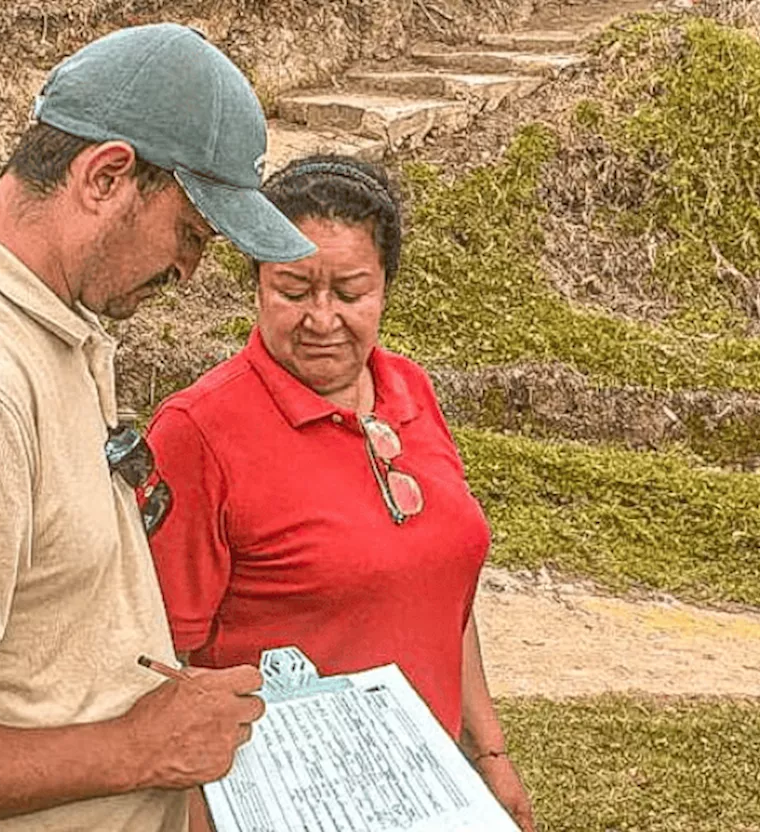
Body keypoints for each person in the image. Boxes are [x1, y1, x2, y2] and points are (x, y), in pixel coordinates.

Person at [0, 24, 317, 832]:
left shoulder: (41, 328)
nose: (187, 270)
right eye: (190, 234)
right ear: (107, 175)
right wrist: (142, 749)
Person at [145, 155, 537, 831]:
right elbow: (159, 667)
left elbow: (446, 596)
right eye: (293, 290)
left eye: (350, 292)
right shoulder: (198, 432)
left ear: (386, 289)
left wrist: (489, 752)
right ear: (258, 285)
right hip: (284, 802)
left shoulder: (410, 390)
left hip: (426, 796)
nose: (322, 319)